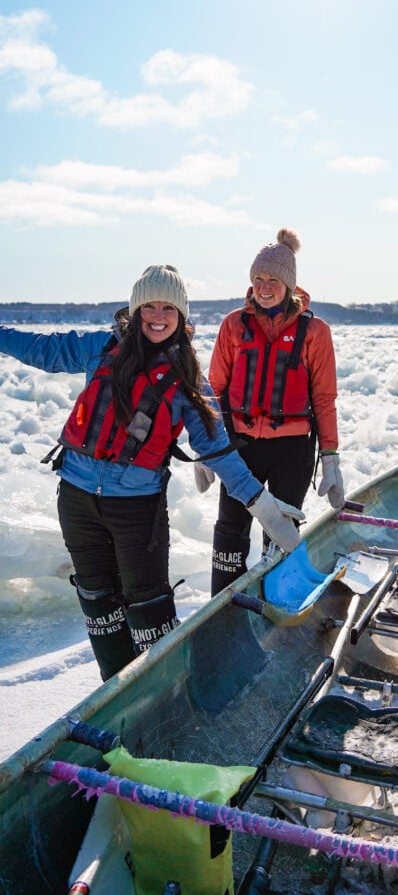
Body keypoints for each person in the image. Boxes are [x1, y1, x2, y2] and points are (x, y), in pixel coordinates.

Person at [0, 265, 303, 681]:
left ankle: (170, 688)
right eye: (149, 306)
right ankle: (116, 692)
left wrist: (260, 503)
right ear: (135, 308)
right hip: (76, 497)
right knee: (98, 603)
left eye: (168, 308)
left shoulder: (188, 376)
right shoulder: (101, 347)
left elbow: (215, 446)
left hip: (137, 508)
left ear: (181, 316)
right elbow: (41, 348)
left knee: (148, 609)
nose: (157, 316)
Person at [202, 228, 344, 595]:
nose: (264, 287)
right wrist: (207, 448)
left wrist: (330, 458)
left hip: (292, 450)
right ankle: (223, 605)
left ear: (290, 284)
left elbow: (324, 399)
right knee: (230, 531)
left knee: (280, 533)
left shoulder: (315, 332)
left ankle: (275, 601)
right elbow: (213, 390)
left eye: (273, 280)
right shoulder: (234, 324)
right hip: (240, 447)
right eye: (258, 279)